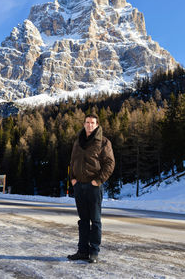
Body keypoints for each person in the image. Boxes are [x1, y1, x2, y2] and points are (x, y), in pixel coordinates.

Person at [67, 113, 115, 263]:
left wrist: (98, 181)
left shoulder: (103, 142)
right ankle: (82, 251)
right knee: (83, 220)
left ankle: (94, 252)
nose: (89, 125)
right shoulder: (78, 141)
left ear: (97, 125)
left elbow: (110, 164)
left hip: (94, 187)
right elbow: (72, 161)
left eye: (92, 123)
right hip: (79, 186)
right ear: (84, 124)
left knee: (95, 221)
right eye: (87, 122)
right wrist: (72, 179)